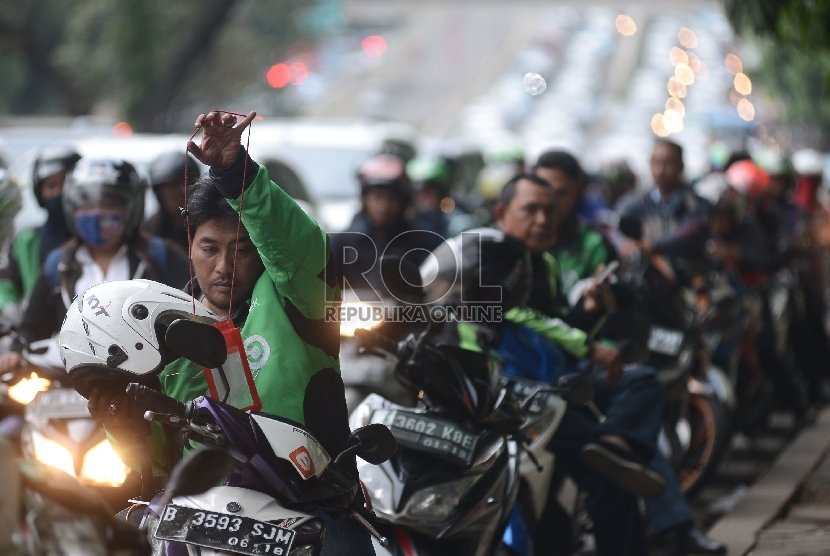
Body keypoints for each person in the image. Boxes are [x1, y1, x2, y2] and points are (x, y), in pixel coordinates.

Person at [84, 111, 372, 554]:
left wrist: (236, 174)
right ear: (189, 248)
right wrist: (121, 426)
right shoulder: (157, 334)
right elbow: (156, 463)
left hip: (316, 513)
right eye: (210, 248)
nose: (223, 266)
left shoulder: (302, 300)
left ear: (263, 251)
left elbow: (297, 243)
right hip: (202, 529)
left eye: (241, 250)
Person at [534, 153, 727, 555]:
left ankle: (617, 457)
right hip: (533, 374)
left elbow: (616, 301)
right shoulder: (513, 251)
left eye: (557, 194)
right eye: (535, 198)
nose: (544, 208)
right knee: (621, 454)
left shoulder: (592, 243)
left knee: (628, 424)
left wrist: (597, 308)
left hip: (581, 365)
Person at [486, 173, 666, 556]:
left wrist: (586, 314)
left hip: (548, 392)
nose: (542, 219)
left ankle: (611, 446)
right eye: (530, 210)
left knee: (642, 382)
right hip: (504, 394)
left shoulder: (544, 264)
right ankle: (609, 455)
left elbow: (550, 332)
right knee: (611, 481)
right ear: (501, 213)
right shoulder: (488, 257)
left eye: (550, 210)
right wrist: (586, 343)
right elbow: (514, 314)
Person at [0, 156, 190, 372]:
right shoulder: (58, 264)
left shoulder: (161, 256)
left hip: (148, 381)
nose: (97, 212)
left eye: (109, 204)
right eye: (87, 204)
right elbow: (32, 328)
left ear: (131, 205)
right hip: (71, 381)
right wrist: (15, 352)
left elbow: (185, 317)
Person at [332, 154, 441, 295]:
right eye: (378, 196)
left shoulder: (422, 241)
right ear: (365, 199)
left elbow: (435, 288)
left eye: (391, 198)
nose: (384, 206)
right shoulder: (344, 241)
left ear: (403, 202)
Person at [0, 146, 79, 312]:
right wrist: (11, 311)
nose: (59, 192)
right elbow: (6, 285)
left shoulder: (97, 238)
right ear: (38, 191)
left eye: (66, 183)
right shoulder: (25, 241)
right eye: (51, 186)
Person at [615, 140, 710, 264]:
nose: (660, 170)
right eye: (655, 162)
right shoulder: (633, 204)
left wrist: (653, 245)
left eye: (668, 163)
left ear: (681, 166)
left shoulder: (697, 206)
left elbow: (690, 234)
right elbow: (616, 230)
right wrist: (625, 244)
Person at [145, 151, 201, 250]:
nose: (171, 194)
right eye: (166, 188)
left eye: (178, 187)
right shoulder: (152, 226)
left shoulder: (205, 223)